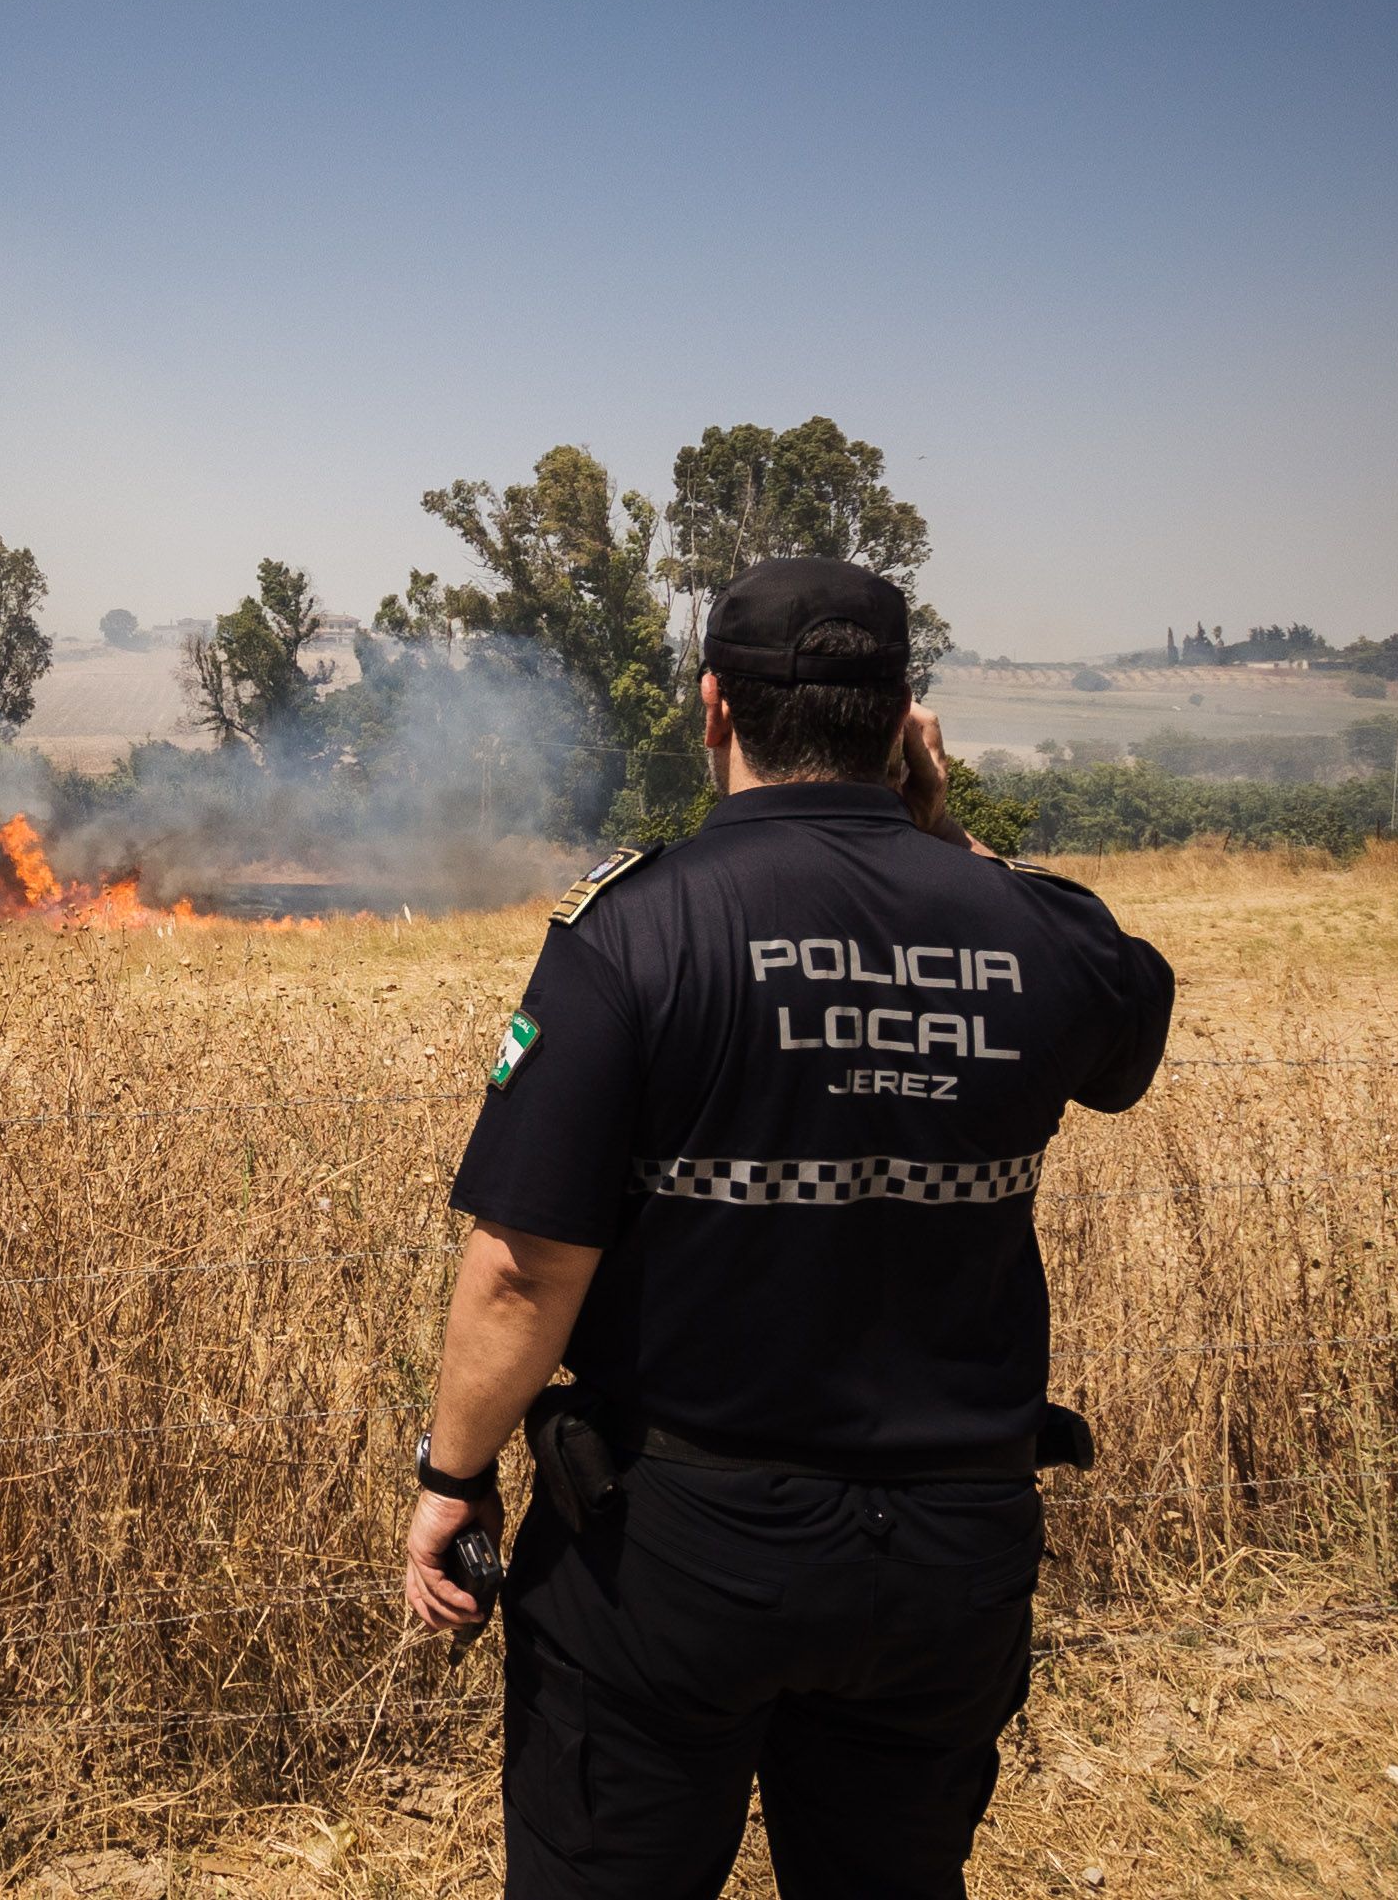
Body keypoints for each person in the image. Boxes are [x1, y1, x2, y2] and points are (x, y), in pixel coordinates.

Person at [402, 560, 1175, 1898]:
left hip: (674, 1552)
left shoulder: (632, 930)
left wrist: (451, 1475)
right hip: (949, 1554)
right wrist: (951, 842)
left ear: (713, 707)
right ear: (903, 718)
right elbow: (1126, 1033)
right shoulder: (1024, 928)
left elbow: (524, 1271)